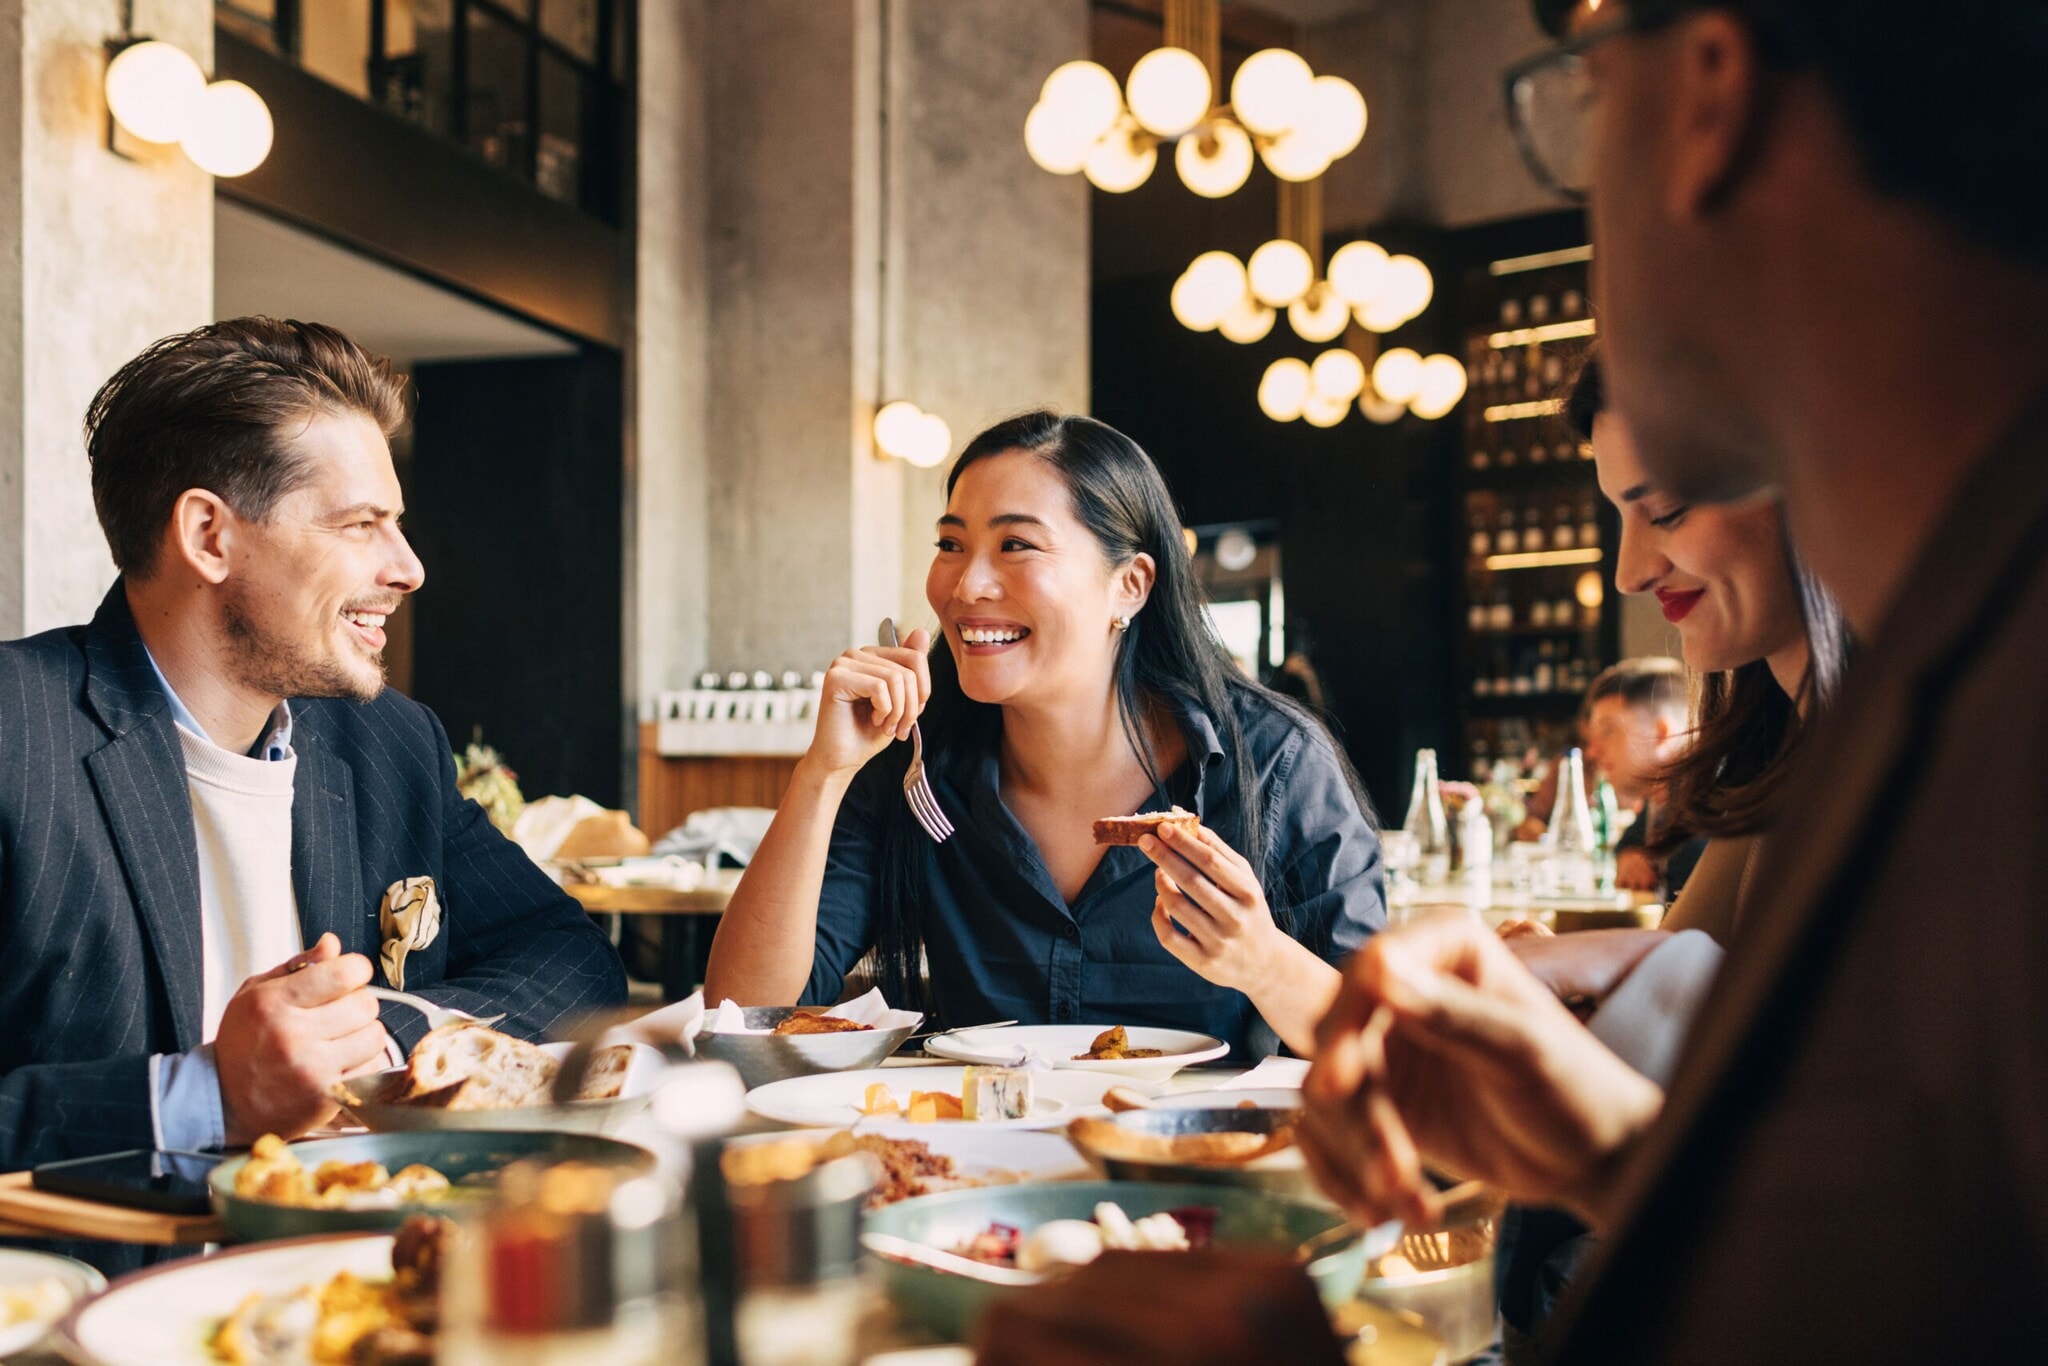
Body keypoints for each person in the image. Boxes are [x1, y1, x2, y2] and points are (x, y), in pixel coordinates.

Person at [1303, 0, 2048, 1360]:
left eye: (1584, 99)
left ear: (1709, 94)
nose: (1640, 563)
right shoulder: (1945, 654)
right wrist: (1616, 1151)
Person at [0, 319, 626, 1264]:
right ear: (210, 535)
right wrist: (205, 1094)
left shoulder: (387, 743)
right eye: (360, 524)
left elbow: (572, 958)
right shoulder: (18, 733)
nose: (407, 567)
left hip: (357, 1291)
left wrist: (384, 1035)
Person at [705, 411, 1383, 1058]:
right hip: (971, 1165)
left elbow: (1379, 1047)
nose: (966, 584)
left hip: (1197, 1161)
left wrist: (1261, 962)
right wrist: (823, 774)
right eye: (951, 545)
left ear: (1131, 585)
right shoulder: (916, 761)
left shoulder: (1274, 762)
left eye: (1016, 545)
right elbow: (744, 1011)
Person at [1495, 351, 1851, 1349]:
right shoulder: (1788, 743)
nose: (1627, 569)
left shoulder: (1915, 774)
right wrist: (1578, 977)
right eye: (1618, 517)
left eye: (1661, 512)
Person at [1574, 657, 1703, 893]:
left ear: (1661, 733)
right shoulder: (1661, 798)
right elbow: (1630, 841)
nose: (1592, 751)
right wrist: (1629, 855)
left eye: (1608, 730)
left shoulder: (1710, 810)